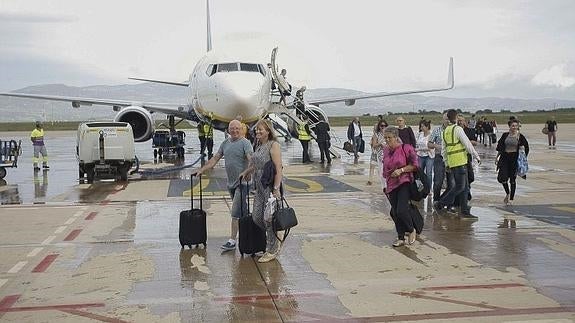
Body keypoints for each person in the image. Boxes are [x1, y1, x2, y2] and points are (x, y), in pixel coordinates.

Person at [193, 120, 253, 251]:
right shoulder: (225, 143)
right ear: (228, 130)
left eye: (237, 128)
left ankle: (232, 241)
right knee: (243, 212)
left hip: (243, 183)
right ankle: (250, 233)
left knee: (235, 212)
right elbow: (214, 159)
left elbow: (251, 160)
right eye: (232, 128)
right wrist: (202, 170)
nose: (235, 131)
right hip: (231, 183)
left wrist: (247, 172)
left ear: (242, 129)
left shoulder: (245, 143)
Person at [240, 120, 283, 263]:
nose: (258, 132)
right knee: (257, 217)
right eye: (257, 130)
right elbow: (256, 164)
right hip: (258, 187)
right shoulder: (258, 145)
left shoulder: (273, 145)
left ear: (268, 131)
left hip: (269, 186)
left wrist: (276, 189)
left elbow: (278, 169)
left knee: (268, 218)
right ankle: (274, 236)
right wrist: (247, 171)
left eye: (261, 130)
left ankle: (272, 249)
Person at [433, 109, 481, 219]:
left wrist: (446, 163)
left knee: (464, 188)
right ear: (455, 118)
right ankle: (440, 204)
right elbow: (468, 144)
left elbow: (444, 150)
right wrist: (476, 156)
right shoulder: (458, 129)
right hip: (460, 161)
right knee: (460, 186)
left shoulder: (444, 131)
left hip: (453, 162)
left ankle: (464, 211)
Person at [382, 126, 419, 247]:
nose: (387, 140)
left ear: (396, 137)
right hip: (391, 183)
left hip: (404, 181)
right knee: (394, 213)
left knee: (401, 210)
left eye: (389, 137)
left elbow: (415, 165)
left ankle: (411, 229)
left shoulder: (406, 148)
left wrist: (401, 170)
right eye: (385, 137)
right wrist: (385, 185)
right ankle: (400, 237)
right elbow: (385, 168)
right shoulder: (386, 150)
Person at [496, 119, 529, 206]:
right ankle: (507, 192)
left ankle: (511, 199)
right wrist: (497, 157)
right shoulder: (505, 135)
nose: (514, 127)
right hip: (505, 158)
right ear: (509, 126)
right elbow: (500, 146)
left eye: (516, 125)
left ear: (518, 126)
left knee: (512, 179)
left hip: (514, 159)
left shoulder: (520, 136)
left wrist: (524, 158)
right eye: (512, 125)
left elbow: (526, 147)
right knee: (502, 178)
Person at [428, 113, 449, 202]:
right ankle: (436, 200)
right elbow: (429, 144)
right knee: (438, 181)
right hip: (439, 158)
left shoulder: (455, 130)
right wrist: (436, 146)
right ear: (443, 120)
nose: (448, 121)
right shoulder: (437, 130)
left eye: (449, 119)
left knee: (451, 183)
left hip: (451, 159)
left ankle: (446, 201)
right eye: (446, 119)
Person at [368, 119, 388, 186]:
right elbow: (374, 145)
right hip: (377, 153)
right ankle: (370, 180)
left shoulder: (388, 134)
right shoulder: (376, 135)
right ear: (379, 127)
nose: (383, 127)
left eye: (385, 126)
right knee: (373, 167)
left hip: (387, 154)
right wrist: (380, 144)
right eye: (382, 126)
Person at [415, 120, 434, 188]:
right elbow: (417, 144)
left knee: (429, 173)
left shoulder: (431, 135)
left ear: (427, 126)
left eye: (423, 126)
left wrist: (419, 149)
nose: (421, 128)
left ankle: (429, 188)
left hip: (429, 156)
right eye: (420, 126)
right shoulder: (420, 134)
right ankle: (421, 188)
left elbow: (430, 148)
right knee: (419, 172)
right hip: (420, 155)